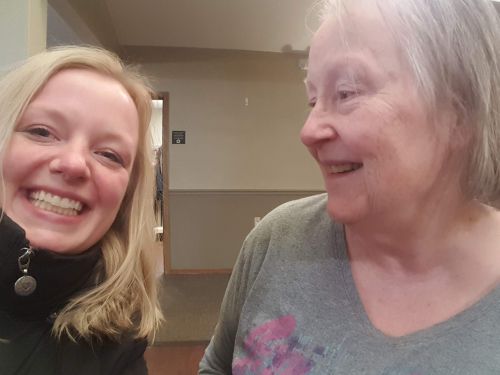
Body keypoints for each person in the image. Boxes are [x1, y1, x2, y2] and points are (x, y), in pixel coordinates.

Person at [199, 0, 500, 373]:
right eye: (312, 99)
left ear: (458, 114)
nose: (308, 131)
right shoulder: (275, 240)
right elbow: (216, 366)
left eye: (346, 92)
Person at [0, 46, 162, 375]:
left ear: (126, 197)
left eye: (109, 154)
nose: (74, 164)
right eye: (41, 132)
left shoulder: (120, 343)